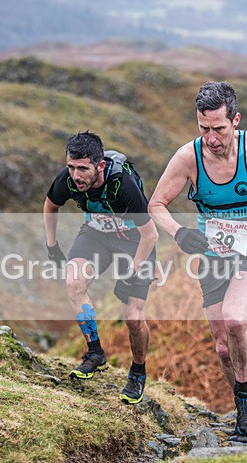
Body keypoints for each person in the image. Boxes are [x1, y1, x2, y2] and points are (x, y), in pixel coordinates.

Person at [148, 81, 247, 436]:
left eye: (218, 128)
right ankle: (241, 400)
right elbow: (156, 204)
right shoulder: (189, 157)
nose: (211, 138)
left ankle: (246, 400)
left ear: (235, 120)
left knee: (235, 319)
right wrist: (180, 233)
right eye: (203, 128)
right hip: (214, 254)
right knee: (222, 347)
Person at [43, 131, 158, 404]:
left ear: (100, 165)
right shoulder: (67, 180)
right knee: (74, 282)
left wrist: (130, 274)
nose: (76, 175)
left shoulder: (122, 184)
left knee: (133, 316)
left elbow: (151, 235)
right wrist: (52, 246)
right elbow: (50, 206)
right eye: (71, 167)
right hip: (97, 234)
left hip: (135, 240)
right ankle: (95, 353)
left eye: (83, 168)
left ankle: (138, 372)